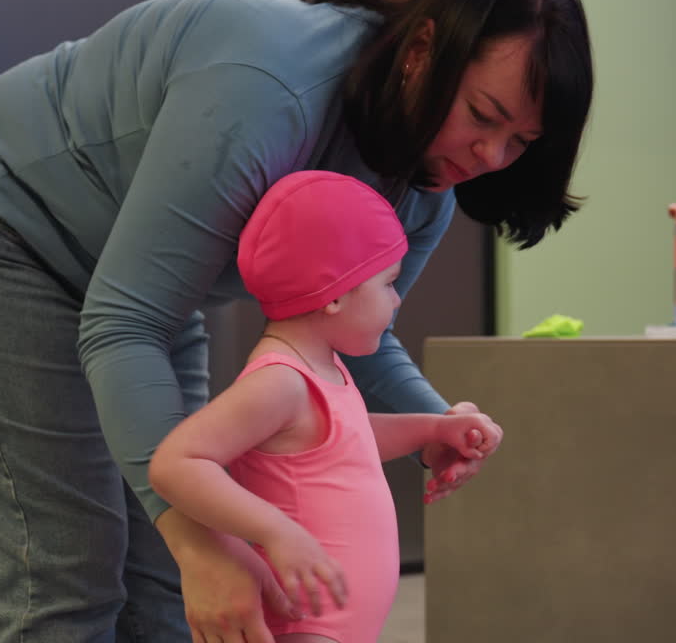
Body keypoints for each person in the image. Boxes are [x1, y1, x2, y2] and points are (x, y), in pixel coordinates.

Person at [0, 0, 593, 643]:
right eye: (483, 115)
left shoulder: (422, 185)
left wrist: (440, 426)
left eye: (520, 141)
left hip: (147, 291)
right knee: (66, 572)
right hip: (5, 230)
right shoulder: (269, 88)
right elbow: (125, 321)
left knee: (171, 582)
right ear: (421, 53)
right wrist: (202, 544)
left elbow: (359, 335)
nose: (491, 157)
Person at [149, 170, 504, 643]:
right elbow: (176, 463)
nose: (397, 300)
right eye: (388, 284)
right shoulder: (280, 381)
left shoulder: (322, 367)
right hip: (305, 626)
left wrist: (434, 431)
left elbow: (345, 442)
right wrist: (275, 531)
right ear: (335, 294)